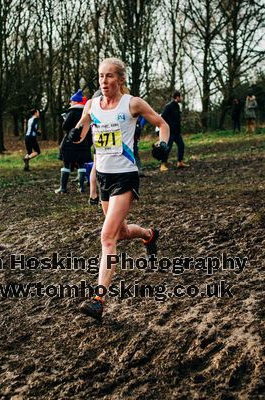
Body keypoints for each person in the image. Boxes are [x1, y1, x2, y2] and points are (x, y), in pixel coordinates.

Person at [68, 58, 170, 321]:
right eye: (101, 76)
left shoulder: (132, 103)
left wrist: (163, 145)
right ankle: (148, 234)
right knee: (121, 232)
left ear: (120, 79)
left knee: (107, 238)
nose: (104, 81)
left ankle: (98, 300)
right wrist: (74, 135)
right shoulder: (92, 105)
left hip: (125, 177)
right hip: (102, 176)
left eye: (110, 76)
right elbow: (82, 130)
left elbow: (162, 124)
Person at [56, 90, 92, 194]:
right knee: (81, 164)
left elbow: (65, 126)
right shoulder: (86, 113)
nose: (70, 103)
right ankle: (81, 187)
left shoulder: (72, 112)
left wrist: (65, 119)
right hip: (82, 142)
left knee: (66, 164)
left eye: (71, 101)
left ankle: (63, 188)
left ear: (75, 101)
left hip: (70, 143)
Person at [159, 90, 188, 171]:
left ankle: (180, 162)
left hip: (177, 132)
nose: (182, 98)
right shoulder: (168, 106)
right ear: (177, 97)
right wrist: (168, 127)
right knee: (167, 148)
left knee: (181, 145)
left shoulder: (177, 106)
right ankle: (163, 165)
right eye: (181, 96)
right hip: (170, 132)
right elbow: (162, 117)